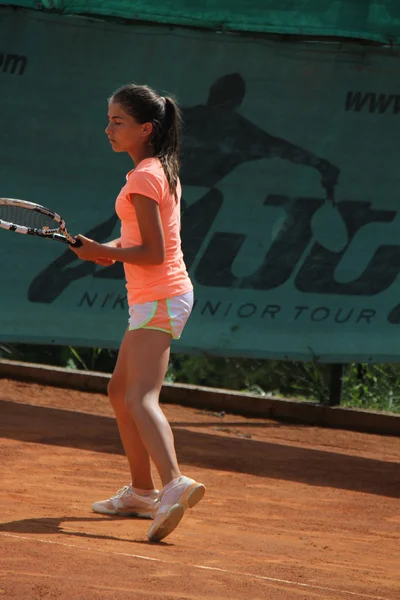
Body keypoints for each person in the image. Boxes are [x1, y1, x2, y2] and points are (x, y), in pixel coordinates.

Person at [70, 83, 205, 542]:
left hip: (161, 295)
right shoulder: (158, 170)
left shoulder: (144, 176)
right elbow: (141, 245)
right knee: (119, 390)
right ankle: (141, 491)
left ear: (145, 128)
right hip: (155, 295)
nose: (108, 128)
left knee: (140, 397)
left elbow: (153, 251)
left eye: (117, 122)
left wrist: (101, 254)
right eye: (108, 119)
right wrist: (104, 250)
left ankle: (173, 484)